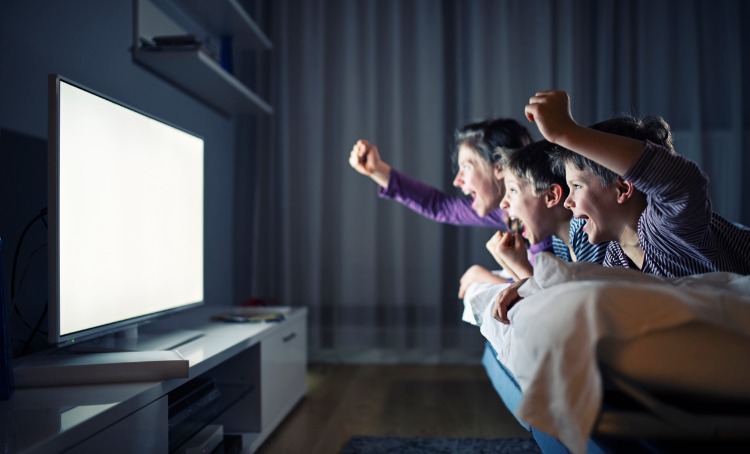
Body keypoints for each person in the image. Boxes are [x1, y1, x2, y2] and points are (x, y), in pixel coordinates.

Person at [493, 90, 750, 323]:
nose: (568, 202)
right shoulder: (616, 256)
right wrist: (532, 286)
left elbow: (681, 181)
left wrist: (566, 132)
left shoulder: (665, 229)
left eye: (577, 187)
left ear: (623, 188)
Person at [348, 119, 550, 295]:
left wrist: (486, 279)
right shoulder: (505, 213)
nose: (457, 180)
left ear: (499, 168)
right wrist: (377, 170)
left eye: (466, 167)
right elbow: (439, 206)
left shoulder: (541, 219)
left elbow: (548, 296)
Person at [485, 139, 609, 282]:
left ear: (551, 196)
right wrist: (508, 264)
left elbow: (579, 301)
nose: (503, 204)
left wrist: (520, 267)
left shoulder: (585, 231)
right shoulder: (559, 240)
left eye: (513, 190)